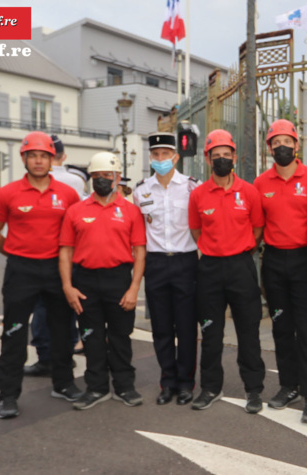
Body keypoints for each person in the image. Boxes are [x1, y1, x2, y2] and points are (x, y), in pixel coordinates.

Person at [0, 131, 84, 419]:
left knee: (63, 331)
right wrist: (16, 253)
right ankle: (8, 396)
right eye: (33, 155)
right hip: (21, 270)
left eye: (44, 155)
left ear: (53, 159)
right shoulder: (7, 193)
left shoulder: (67, 194)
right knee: (14, 334)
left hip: (57, 270)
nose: (38, 160)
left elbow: (76, 231)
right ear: (24, 158)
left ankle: (63, 384)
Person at [254, 119, 307, 423]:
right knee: (281, 328)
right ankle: (288, 386)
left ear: (297, 146)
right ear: (269, 147)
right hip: (273, 262)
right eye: (276, 142)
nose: (281, 147)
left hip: (305, 262)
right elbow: (257, 228)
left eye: (287, 141)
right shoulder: (261, 183)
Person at [59, 152, 147, 411]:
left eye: (106, 175)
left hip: (119, 279)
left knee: (121, 337)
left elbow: (140, 251)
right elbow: (65, 250)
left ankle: (124, 386)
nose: (101, 180)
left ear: (118, 177)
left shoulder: (130, 211)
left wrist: (134, 288)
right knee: (91, 338)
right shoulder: (76, 211)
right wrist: (68, 286)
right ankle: (96, 388)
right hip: (84, 281)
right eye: (96, 176)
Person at [188, 129, 266, 414]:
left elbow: (258, 229)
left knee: (249, 332)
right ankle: (210, 387)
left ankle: (254, 390)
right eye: (215, 155)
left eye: (226, 154)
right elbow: (196, 231)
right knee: (210, 332)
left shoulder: (249, 192)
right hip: (209, 268)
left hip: (241, 266)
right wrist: (214, 249)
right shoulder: (198, 195)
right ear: (208, 159)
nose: (221, 159)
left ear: (234, 156)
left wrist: (238, 249)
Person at [133, 132, 200, 406]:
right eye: (156, 154)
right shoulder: (141, 190)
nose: (161, 159)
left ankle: (185, 382)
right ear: (151, 157)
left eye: (166, 154)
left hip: (185, 262)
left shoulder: (192, 187)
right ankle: (167, 381)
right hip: (157, 263)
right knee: (161, 327)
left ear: (176, 156)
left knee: (185, 326)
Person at [24, 134, 82, 377]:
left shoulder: (34, 180)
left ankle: (45, 355)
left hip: (40, 254)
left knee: (40, 308)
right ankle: (67, 351)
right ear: (63, 156)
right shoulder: (76, 180)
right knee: (66, 306)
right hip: (69, 252)